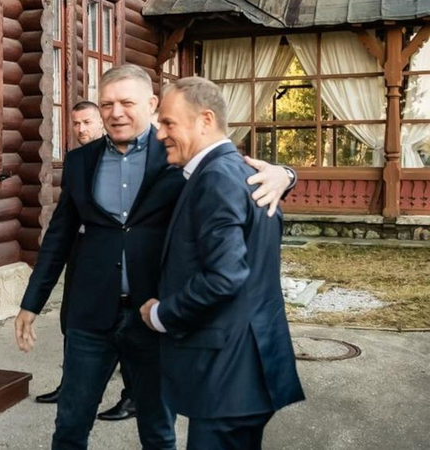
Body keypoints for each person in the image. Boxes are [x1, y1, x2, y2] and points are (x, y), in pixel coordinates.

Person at [15, 65, 296, 450]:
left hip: (155, 316)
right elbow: (59, 237)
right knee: (69, 425)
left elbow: (231, 175)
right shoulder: (81, 162)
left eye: (126, 103)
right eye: (107, 104)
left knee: (158, 431)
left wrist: (286, 174)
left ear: (150, 104)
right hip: (90, 315)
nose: (115, 113)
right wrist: (32, 302)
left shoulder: (178, 151)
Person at [140, 76, 305, 450]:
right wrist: (288, 174)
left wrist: (162, 314)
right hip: (248, 369)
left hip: (230, 373)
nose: (160, 133)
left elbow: (225, 276)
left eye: (168, 123)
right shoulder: (246, 172)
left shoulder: (215, 178)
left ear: (205, 120)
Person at [36, 101, 137, 422]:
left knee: (123, 323)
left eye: (87, 122)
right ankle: (71, 383)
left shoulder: (123, 157)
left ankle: (133, 396)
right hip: (80, 251)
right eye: (76, 123)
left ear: (102, 123)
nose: (81, 129)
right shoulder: (76, 160)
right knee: (72, 318)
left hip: (117, 255)